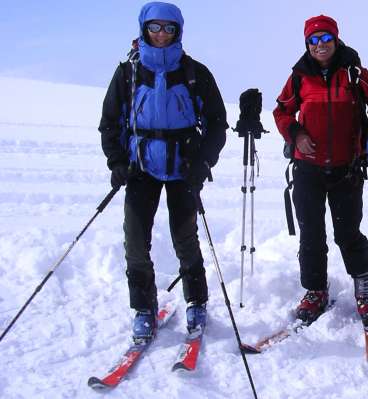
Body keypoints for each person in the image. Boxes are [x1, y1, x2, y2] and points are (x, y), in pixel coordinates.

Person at [99, 2, 228, 341]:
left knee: (185, 238)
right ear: (144, 29)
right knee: (136, 242)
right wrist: (116, 162)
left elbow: (216, 122)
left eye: (168, 28)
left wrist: (203, 162)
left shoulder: (194, 72)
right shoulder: (128, 72)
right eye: (154, 27)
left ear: (178, 31)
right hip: (140, 168)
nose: (160, 34)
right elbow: (110, 122)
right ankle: (143, 308)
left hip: (183, 168)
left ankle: (197, 302)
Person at [272, 15, 368, 326]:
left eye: (326, 38)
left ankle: (363, 289)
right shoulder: (299, 76)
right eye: (314, 40)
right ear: (307, 44)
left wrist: (364, 143)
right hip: (307, 169)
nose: (320, 45)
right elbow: (282, 110)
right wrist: (295, 134)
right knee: (311, 233)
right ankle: (315, 291)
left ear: (336, 40)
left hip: (346, 168)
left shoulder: (354, 72)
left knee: (348, 232)